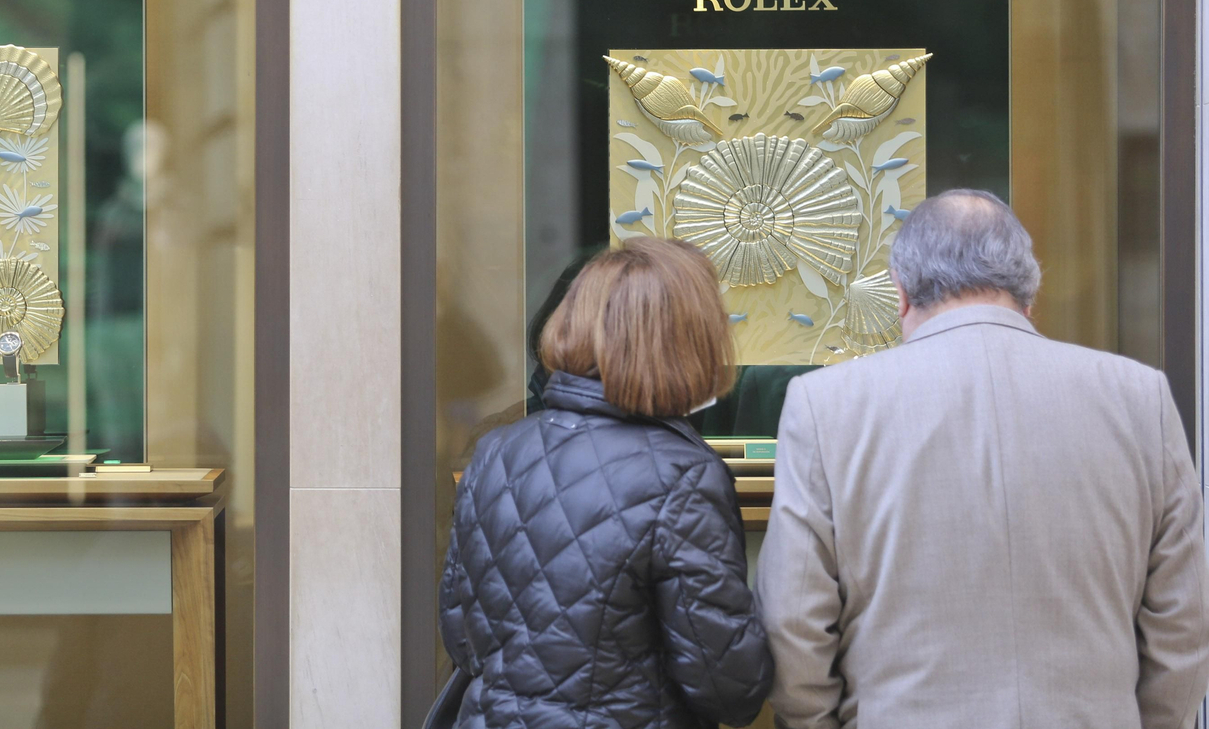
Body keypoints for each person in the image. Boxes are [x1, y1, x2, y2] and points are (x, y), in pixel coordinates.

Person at [758, 189, 1209, 729]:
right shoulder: (1141, 398)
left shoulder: (826, 405)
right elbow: (1183, 622)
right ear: (1029, 293)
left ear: (900, 294)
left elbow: (794, 623)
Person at [438, 237, 773, 728]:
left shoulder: (496, 452)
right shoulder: (683, 476)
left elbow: (461, 637)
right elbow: (728, 687)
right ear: (687, 342)